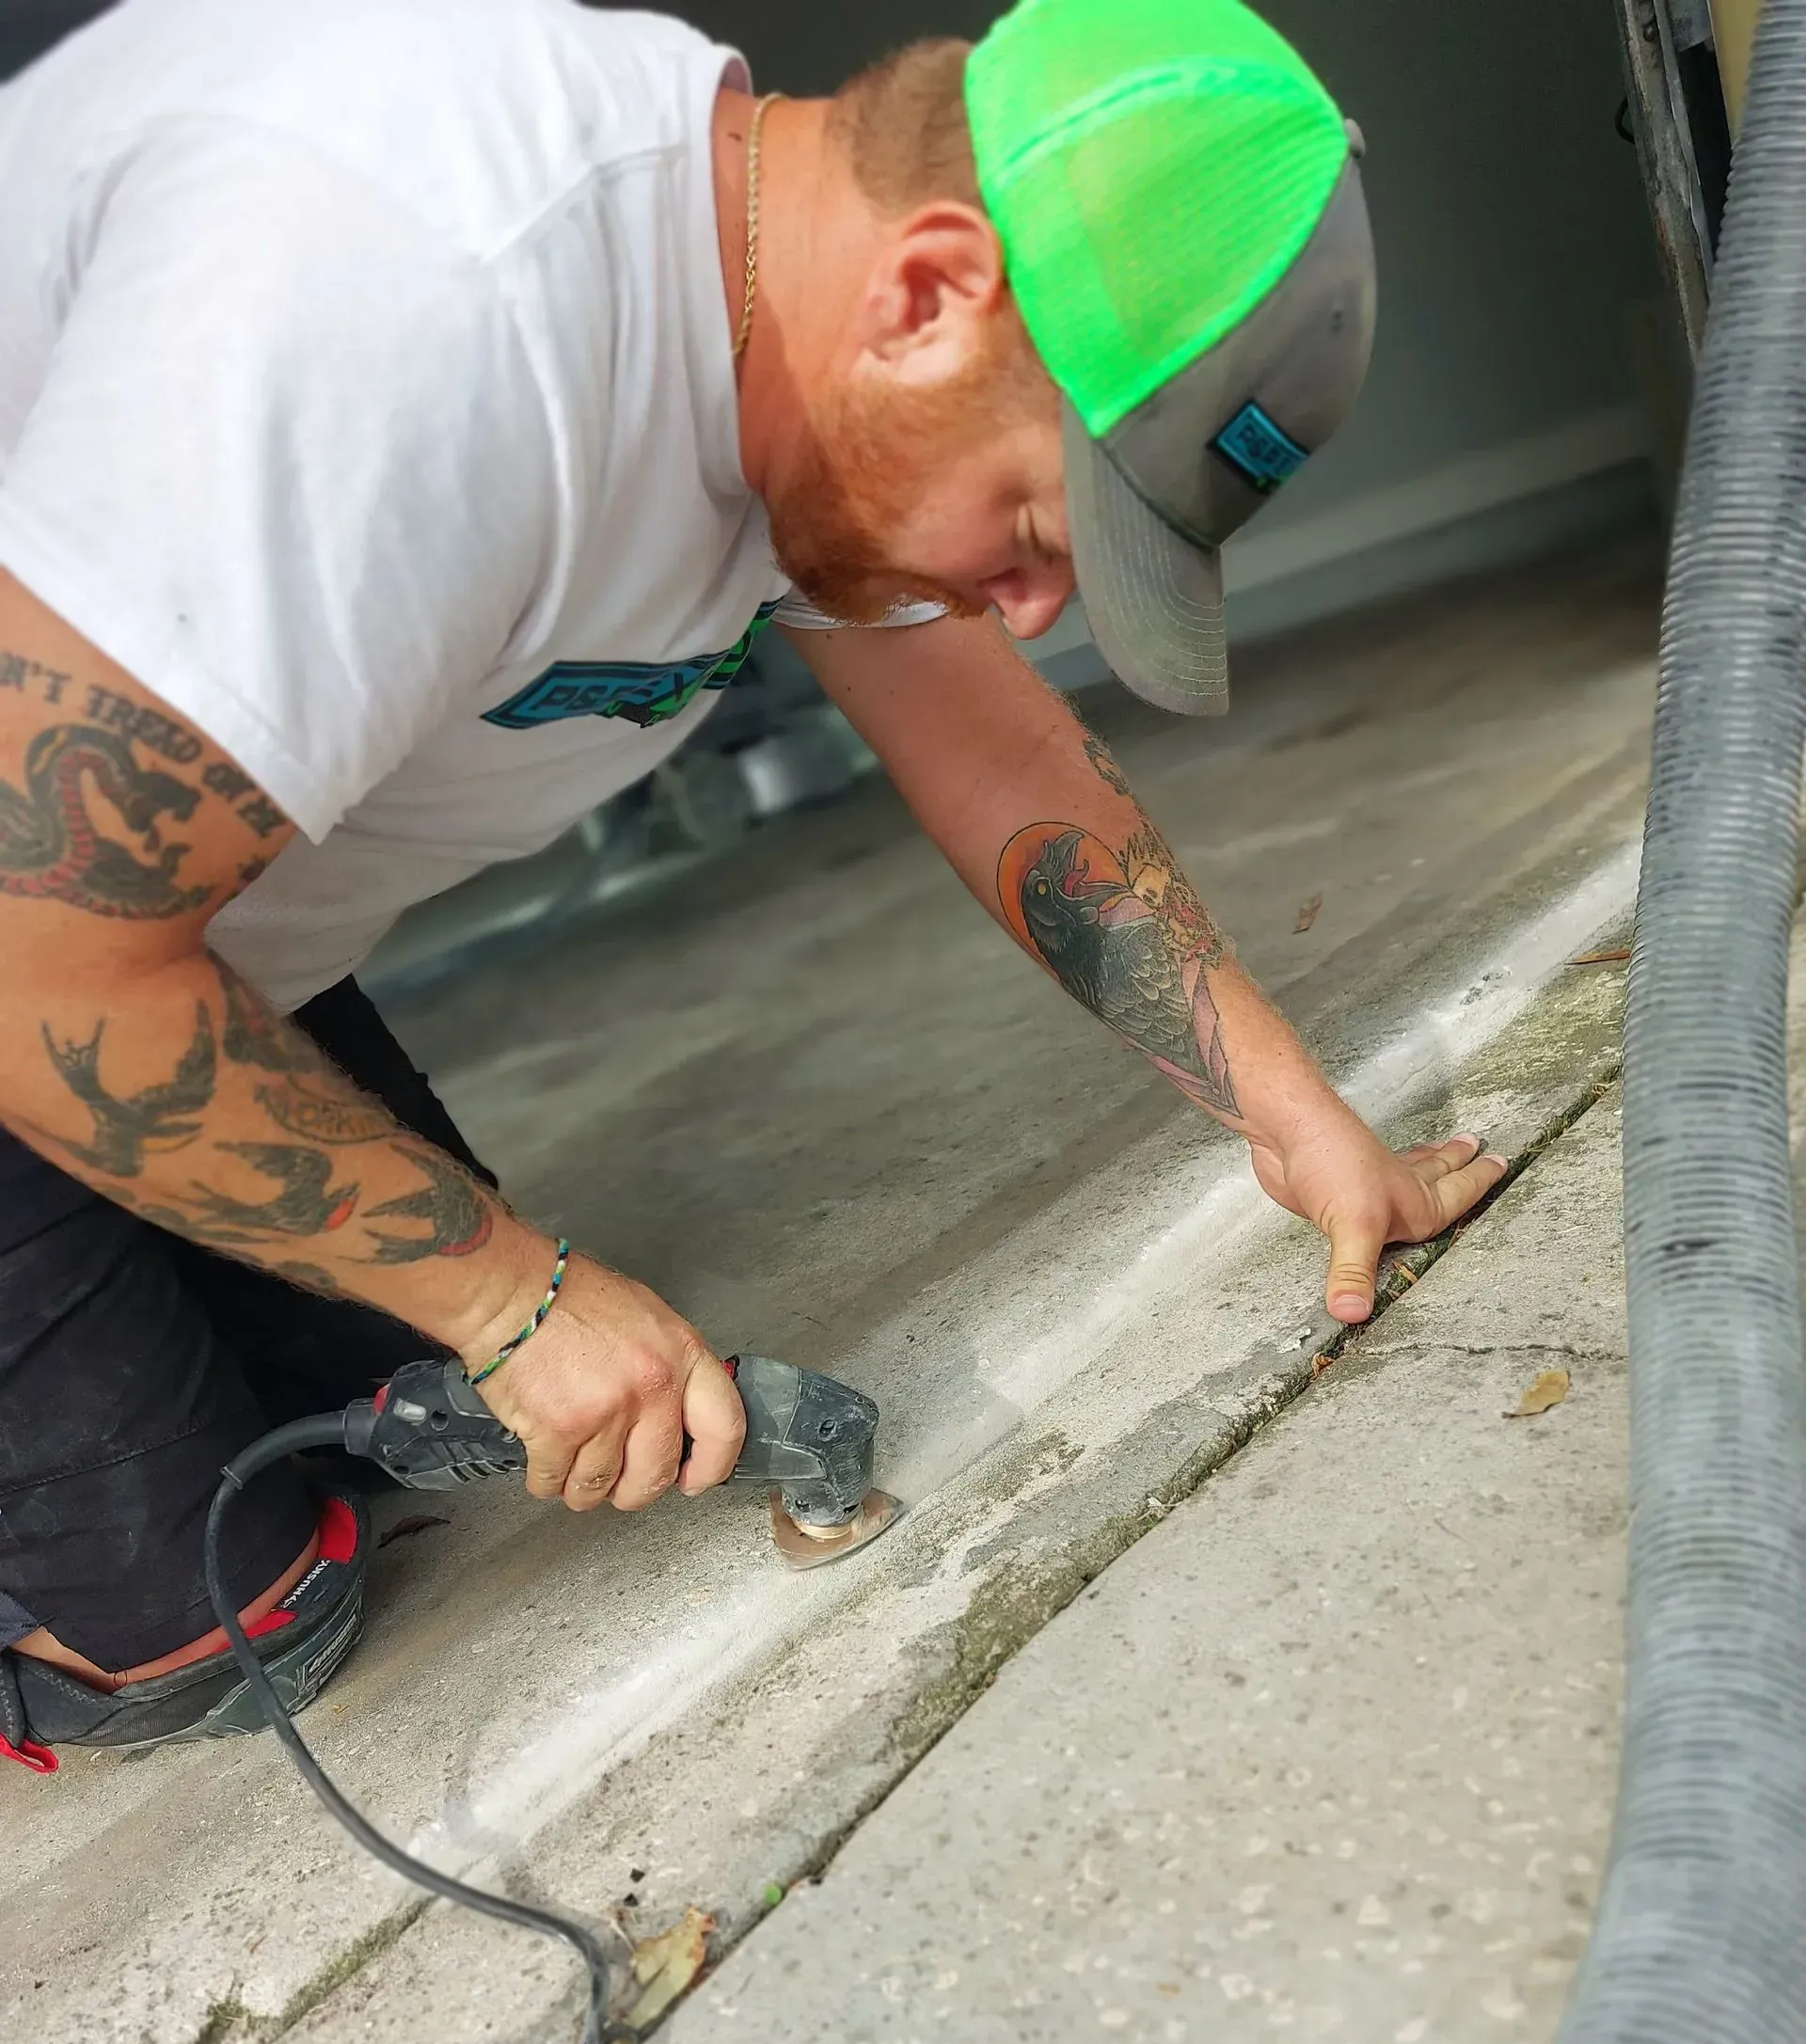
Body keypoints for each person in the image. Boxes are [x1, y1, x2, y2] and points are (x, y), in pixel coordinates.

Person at [0, 0, 1504, 1769]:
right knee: (222, 1618)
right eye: (1036, 531)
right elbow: (37, 953)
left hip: (171, 930)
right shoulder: (407, 296)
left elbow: (1005, 761)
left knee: (364, 1415)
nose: (1033, 613)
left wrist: (1289, 1108)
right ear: (932, 293)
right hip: (52, 944)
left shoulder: (785, 300)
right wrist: (512, 1296)